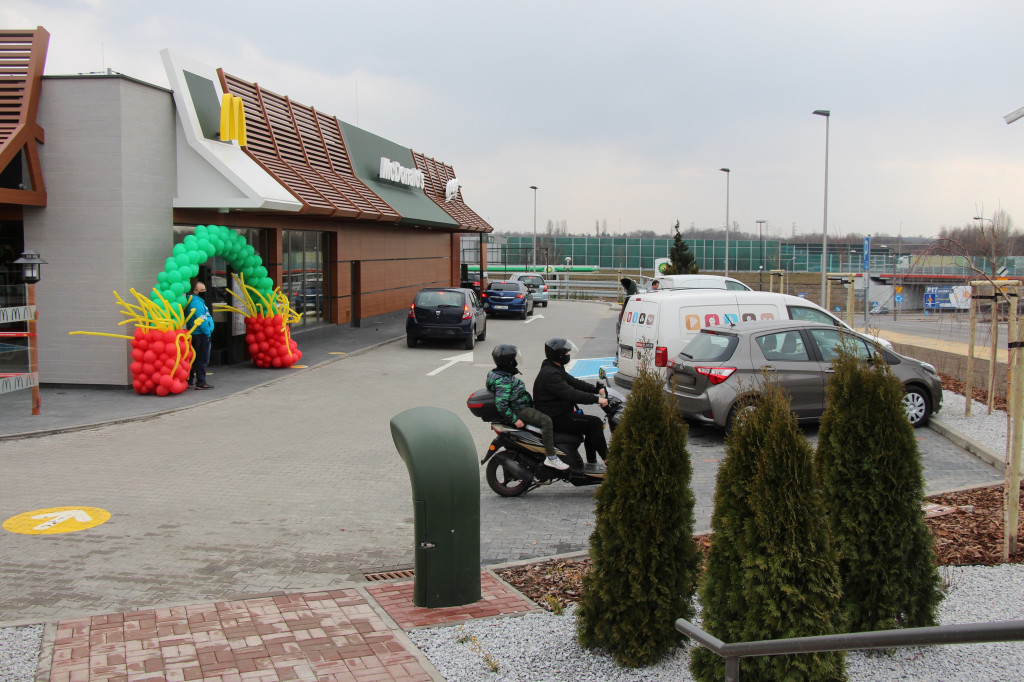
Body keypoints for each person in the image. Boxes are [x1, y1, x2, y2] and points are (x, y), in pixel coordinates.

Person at [486, 344, 568, 471]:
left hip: (522, 406)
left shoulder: (503, 375)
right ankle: (551, 457)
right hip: (520, 410)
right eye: (515, 357)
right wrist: (514, 419)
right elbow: (501, 403)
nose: (517, 360)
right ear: (509, 361)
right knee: (546, 421)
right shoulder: (503, 381)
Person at [533, 338, 609, 473]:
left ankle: (592, 463)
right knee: (594, 423)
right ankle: (608, 461)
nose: (568, 354)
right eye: (566, 352)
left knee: (591, 423)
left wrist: (596, 390)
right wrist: (596, 399)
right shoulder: (550, 374)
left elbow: (574, 382)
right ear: (559, 354)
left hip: (560, 413)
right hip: (556, 417)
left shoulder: (555, 368)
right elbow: (571, 394)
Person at [184, 281, 215, 390]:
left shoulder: (194, 301)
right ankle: (201, 382)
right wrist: (208, 333)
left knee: (194, 358)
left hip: (195, 334)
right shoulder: (196, 303)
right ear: (195, 291)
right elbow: (202, 320)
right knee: (201, 359)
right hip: (200, 334)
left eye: (205, 290)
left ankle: (190, 380)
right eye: (202, 290)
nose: (204, 292)